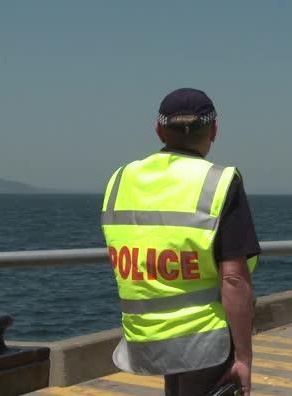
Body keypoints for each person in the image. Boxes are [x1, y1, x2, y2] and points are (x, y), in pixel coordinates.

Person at [100, 88, 260, 396]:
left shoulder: (121, 178)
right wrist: (244, 357)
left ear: (159, 130)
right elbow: (234, 279)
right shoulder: (220, 182)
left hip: (143, 336)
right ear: (214, 130)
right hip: (204, 340)